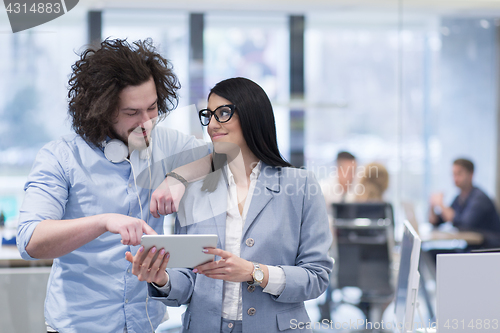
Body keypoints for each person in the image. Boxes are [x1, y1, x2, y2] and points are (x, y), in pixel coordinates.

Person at [16, 38, 210, 333]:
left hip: (145, 325)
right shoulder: (61, 157)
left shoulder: (166, 143)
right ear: (102, 109)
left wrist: (178, 177)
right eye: (132, 113)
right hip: (78, 326)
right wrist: (104, 222)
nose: (147, 122)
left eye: (153, 107)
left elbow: (224, 156)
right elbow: (30, 241)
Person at [126, 77, 333, 333]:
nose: (212, 124)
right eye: (208, 115)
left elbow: (317, 277)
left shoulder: (300, 186)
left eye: (223, 113)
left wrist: (254, 272)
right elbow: (189, 279)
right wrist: (162, 279)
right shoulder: (194, 189)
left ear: (252, 115)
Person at [429, 158, 500, 247]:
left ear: (471, 174)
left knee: (438, 256)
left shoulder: (479, 198)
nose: (455, 178)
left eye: (459, 174)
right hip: (471, 247)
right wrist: (432, 205)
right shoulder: (459, 198)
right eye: (454, 174)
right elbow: (436, 222)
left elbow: (464, 225)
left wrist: (441, 204)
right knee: (431, 253)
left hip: (487, 249)